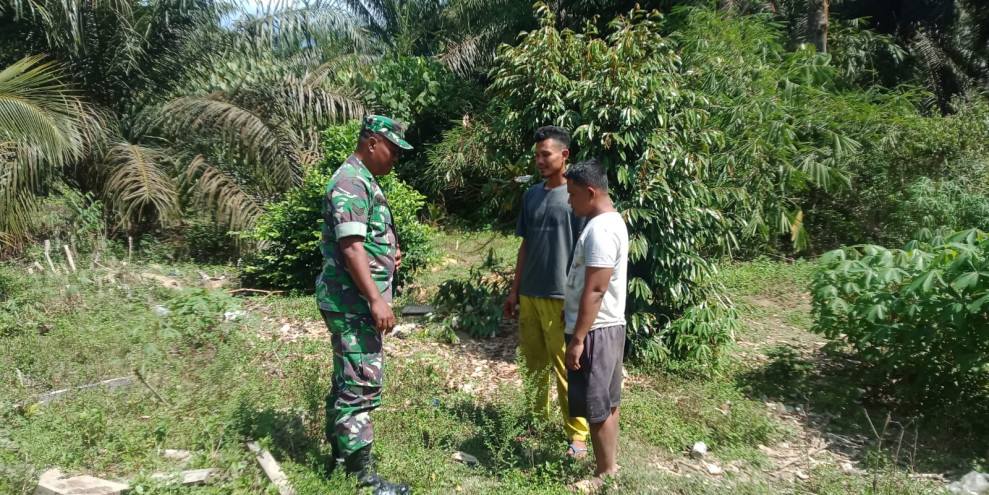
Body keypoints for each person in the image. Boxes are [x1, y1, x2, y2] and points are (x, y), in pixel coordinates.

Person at [315, 115, 411, 495]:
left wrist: (389, 253)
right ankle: (363, 480)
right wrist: (375, 299)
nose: (396, 159)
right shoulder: (352, 182)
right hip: (353, 303)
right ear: (372, 143)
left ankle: (340, 461)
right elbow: (350, 247)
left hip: (351, 301)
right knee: (360, 383)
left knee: (347, 378)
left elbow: (364, 240)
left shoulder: (363, 181)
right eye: (393, 149)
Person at [503, 126, 590, 457]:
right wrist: (514, 290)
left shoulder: (577, 195)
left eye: (546, 155)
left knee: (566, 368)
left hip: (561, 297)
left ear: (564, 155)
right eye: (537, 155)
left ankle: (578, 435)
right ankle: (535, 420)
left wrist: (582, 297)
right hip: (531, 294)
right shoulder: (532, 195)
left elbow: (586, 250)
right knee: (533, 364)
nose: (539, 160)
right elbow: (526, 244)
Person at [562, 158, 629, 492]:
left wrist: (577, 339)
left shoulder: (601, 230)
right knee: (607, 400)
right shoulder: (606, 221)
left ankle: (604, 474)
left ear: (590, 193)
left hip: (596, 331)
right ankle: (610, 467)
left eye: (572, 194)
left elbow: (597, 289)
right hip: (604, 327)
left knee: (598, 405)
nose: (569, 200)